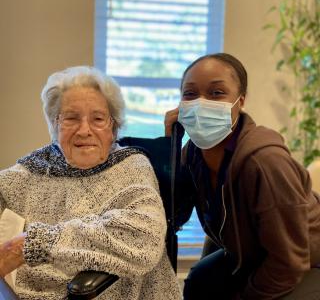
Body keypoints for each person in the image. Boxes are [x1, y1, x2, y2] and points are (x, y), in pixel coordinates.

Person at [0, 66, 182, 300]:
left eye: (97, 119)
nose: (84, 130)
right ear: (55, 125)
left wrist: (31, 244)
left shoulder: (131, 166)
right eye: (71, 118)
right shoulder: (35, 167)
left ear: (113, 128)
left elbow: (142, 239)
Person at [165, 53, 320, 299]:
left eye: (216, 93)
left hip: (306, 261)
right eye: (190, 94)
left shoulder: (266, 162)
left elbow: (289, 262)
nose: (201, 102)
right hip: (250, 252)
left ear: (241, 101)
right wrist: (169, 145)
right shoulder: (192, 154)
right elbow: (173, 216)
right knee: (199, 282)